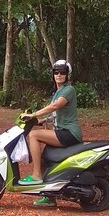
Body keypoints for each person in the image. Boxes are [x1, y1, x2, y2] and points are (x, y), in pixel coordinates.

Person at [16, 59, 83, 205]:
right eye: (56, 72)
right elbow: (54, 114)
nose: (59, 75)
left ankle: (36, 176)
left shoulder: (69, 90)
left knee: (34, 135)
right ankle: (49, 197)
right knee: (45, 157)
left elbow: (55, 106)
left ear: (67, 75)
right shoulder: (58, 92)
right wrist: (40, 121)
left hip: (69, 133)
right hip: (61, 131)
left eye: (62, 73)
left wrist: (34, 115)